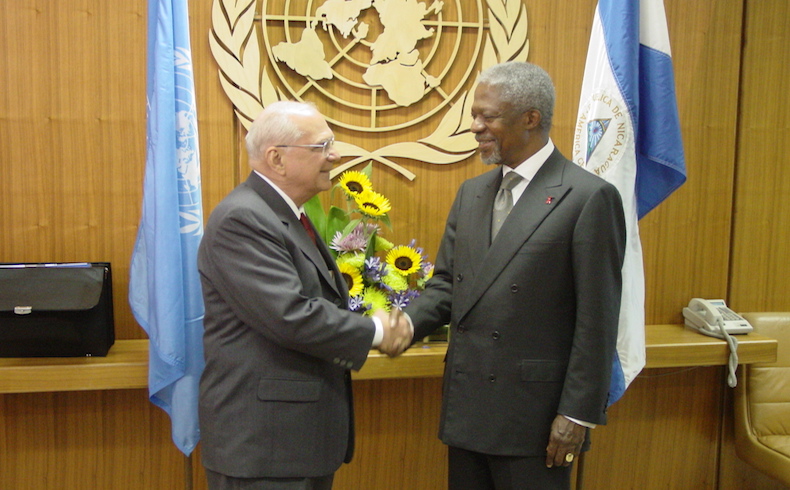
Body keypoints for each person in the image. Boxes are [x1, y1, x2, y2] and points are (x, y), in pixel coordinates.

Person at [401, 62, 627, 489]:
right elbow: (448, 286)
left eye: (488, 116)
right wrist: (398, 326)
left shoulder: (588, 198)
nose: (475, 127)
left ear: (530, 118)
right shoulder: (472, 194)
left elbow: (597, 320)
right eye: (474, 115)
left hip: (536, 420)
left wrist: (576, 414)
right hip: (468, 410)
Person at [197, 100, 412, 490]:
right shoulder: (243, 219)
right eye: (321, 146)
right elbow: (289, 314)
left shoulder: (286, 213)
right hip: (264, 448)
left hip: (293, 442)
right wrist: (377, 332)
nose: (336, 154)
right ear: (276, 159)